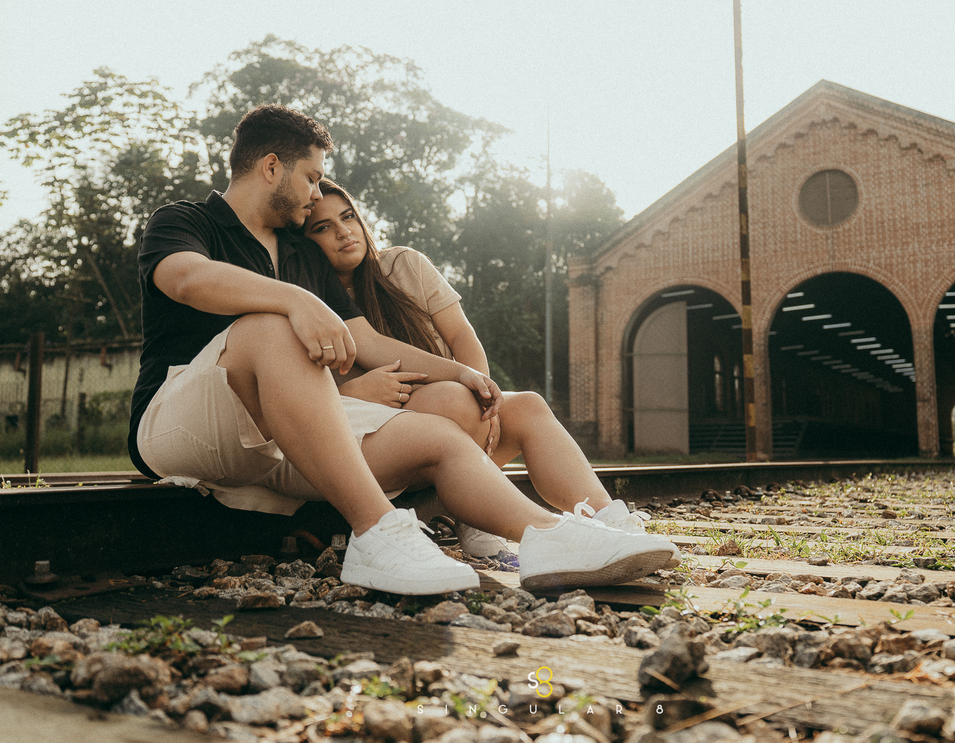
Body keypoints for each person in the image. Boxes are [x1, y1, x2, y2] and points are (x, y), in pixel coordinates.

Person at [128, 104, 676, 596]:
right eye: (312, 178)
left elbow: (365, 341)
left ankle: (550, 538)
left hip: (280, 443)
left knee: (438, 436)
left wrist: (459, 373)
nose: (317, 193)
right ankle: (378, 534)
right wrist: (293, 301)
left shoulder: (301, 253)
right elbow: (186, 278)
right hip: (183, 423)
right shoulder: (186, 221)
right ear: (271, 166)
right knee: (270, 328)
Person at [302, 179, 680, 563]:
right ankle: (486, 517)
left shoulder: (404, 265)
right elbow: (301, 396)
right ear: (303, 242)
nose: (343, 231)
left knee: (528, 405)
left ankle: (611, 521)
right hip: (379, 439)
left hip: (449, 417)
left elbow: (462, 334)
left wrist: (484, 396)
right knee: (455, 401)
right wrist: (354, 391)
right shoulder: (310, 299)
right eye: (323, 227)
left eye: (347, 217)